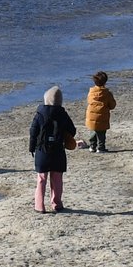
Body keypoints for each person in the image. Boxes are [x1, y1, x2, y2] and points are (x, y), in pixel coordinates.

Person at [28, 86, 77, 214]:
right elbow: (73, 130)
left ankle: (39, 206)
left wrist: (31, 147)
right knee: (57, 179)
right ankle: (57, 204)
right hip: (58, 151)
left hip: (42, 150)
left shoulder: (39, 114)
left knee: (41, 179)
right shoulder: (63, 114)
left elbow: (33, 132)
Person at [84, 71, 116, 153]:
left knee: (93, 131)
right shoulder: (107, 93)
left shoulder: (91, 92)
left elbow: (88, 100)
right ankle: (101, 147)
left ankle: (92, 146)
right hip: (102, 116)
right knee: (101, 133)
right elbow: (112, 105)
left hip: (91, 116)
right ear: (105, 82)